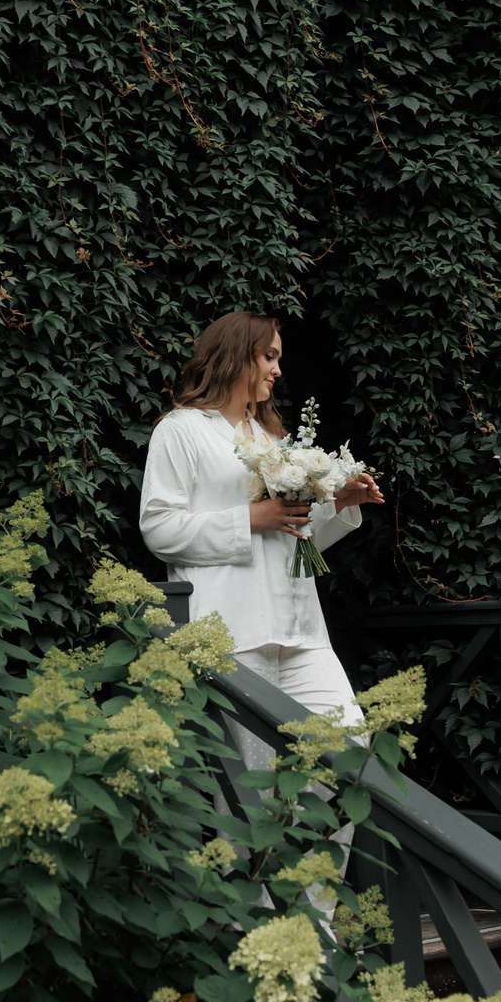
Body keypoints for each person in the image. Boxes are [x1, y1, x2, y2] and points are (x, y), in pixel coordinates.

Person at [138, 311, 383, 765]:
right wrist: (250, 518)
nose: (278, 369)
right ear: (235, 355)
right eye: (269, 356)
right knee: (254, 789)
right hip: (230, 633)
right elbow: (159, 527)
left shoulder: (273, 439)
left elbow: (292, 538)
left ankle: (319, 842)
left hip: (302, 632)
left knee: (347, 756)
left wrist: (339, 504)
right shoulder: (181, 430)